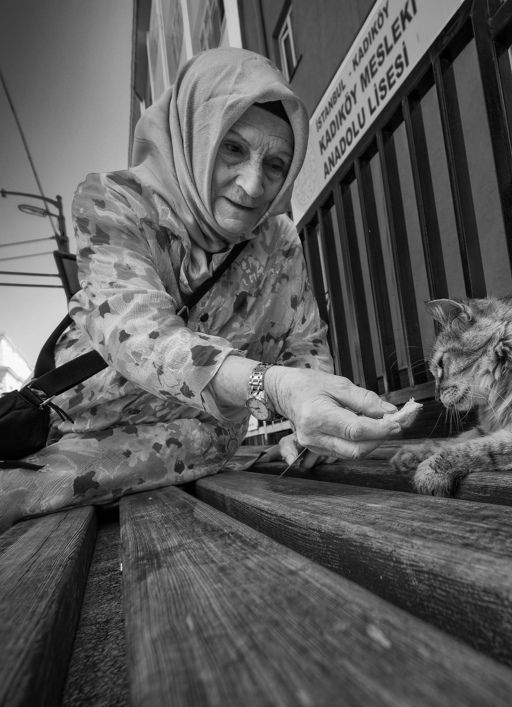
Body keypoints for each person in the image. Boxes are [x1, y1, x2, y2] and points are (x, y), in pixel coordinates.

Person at [0, 48, 401, 531]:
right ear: (194, 136)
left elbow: (305, 345)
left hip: (191, 454)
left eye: (275, 165)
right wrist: (270, 385)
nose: (253, 186)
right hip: (67, 441)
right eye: (232, 148)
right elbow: (142, 335)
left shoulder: (278, 243)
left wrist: (313, 423)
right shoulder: (114, 203)